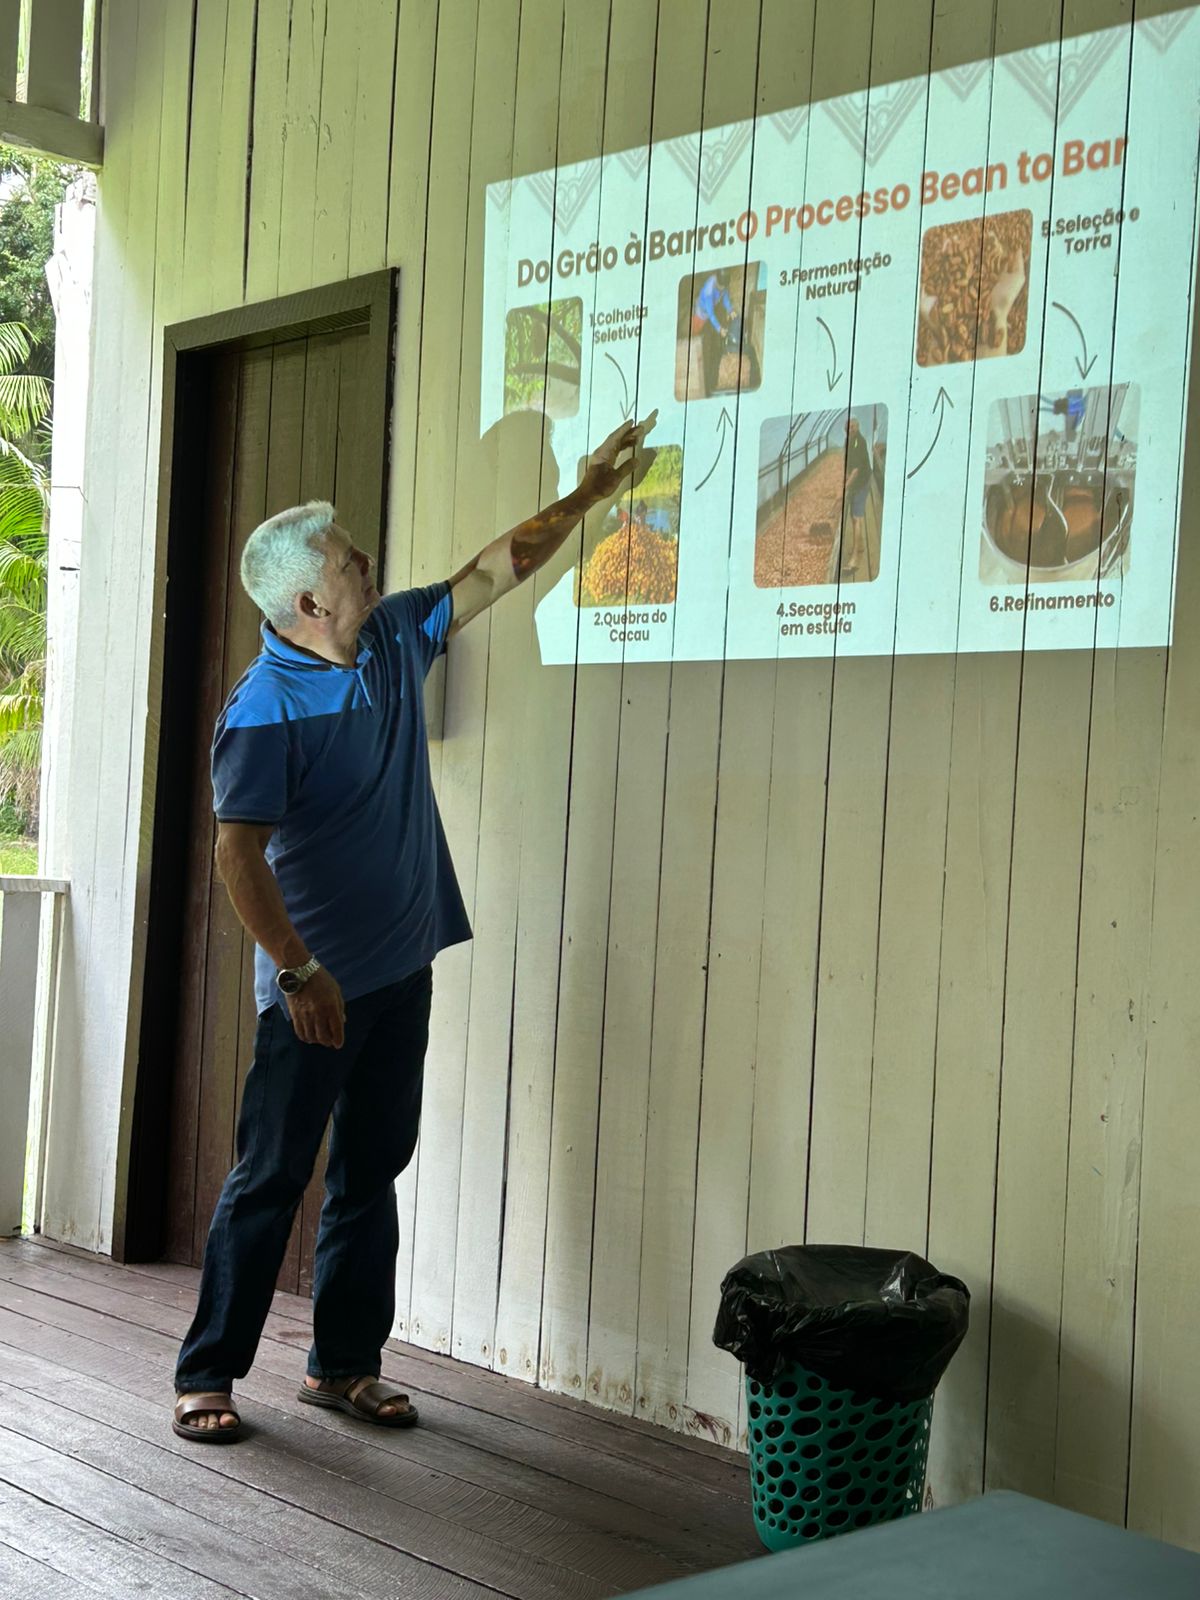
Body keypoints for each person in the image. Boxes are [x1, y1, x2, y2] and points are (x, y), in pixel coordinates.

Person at [171, 411, 657, 1444]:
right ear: (310, 603)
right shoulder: (262, 710)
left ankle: (344, 1365)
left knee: (371, 1168)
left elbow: (494, 571)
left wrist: (587, 494)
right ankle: (207, 1373)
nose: (369, 565)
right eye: (350, 561)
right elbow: (236, 855)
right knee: (271, 1178)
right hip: (313, 990)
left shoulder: (392, 637)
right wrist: (297, 971)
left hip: (401, 968)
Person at [692, 270, 734, 396]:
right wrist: (719, 329)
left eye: (723, 287)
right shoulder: (708, 291)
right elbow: (711, 314)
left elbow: (725, 296)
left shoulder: (722, 285)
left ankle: (710, 353)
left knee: (711, 339)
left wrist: (730, 310)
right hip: (701, 313)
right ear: (717, 282)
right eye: (720, 287)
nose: (722, 289)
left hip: (710, 311)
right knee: (697, 339)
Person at [841, 415, 872, 579]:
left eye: (852, 427)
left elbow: (856, 470)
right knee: (855, 518)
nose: (850, 429)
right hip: (855, 482)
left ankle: (854, 559)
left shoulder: (859, 442)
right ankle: (860, 546)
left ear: (857, 427)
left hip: (862, 482)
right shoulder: (849, 441)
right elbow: (849, 464)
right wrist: (845, 478)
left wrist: (843, 488)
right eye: (847, 427)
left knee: (855, 518)